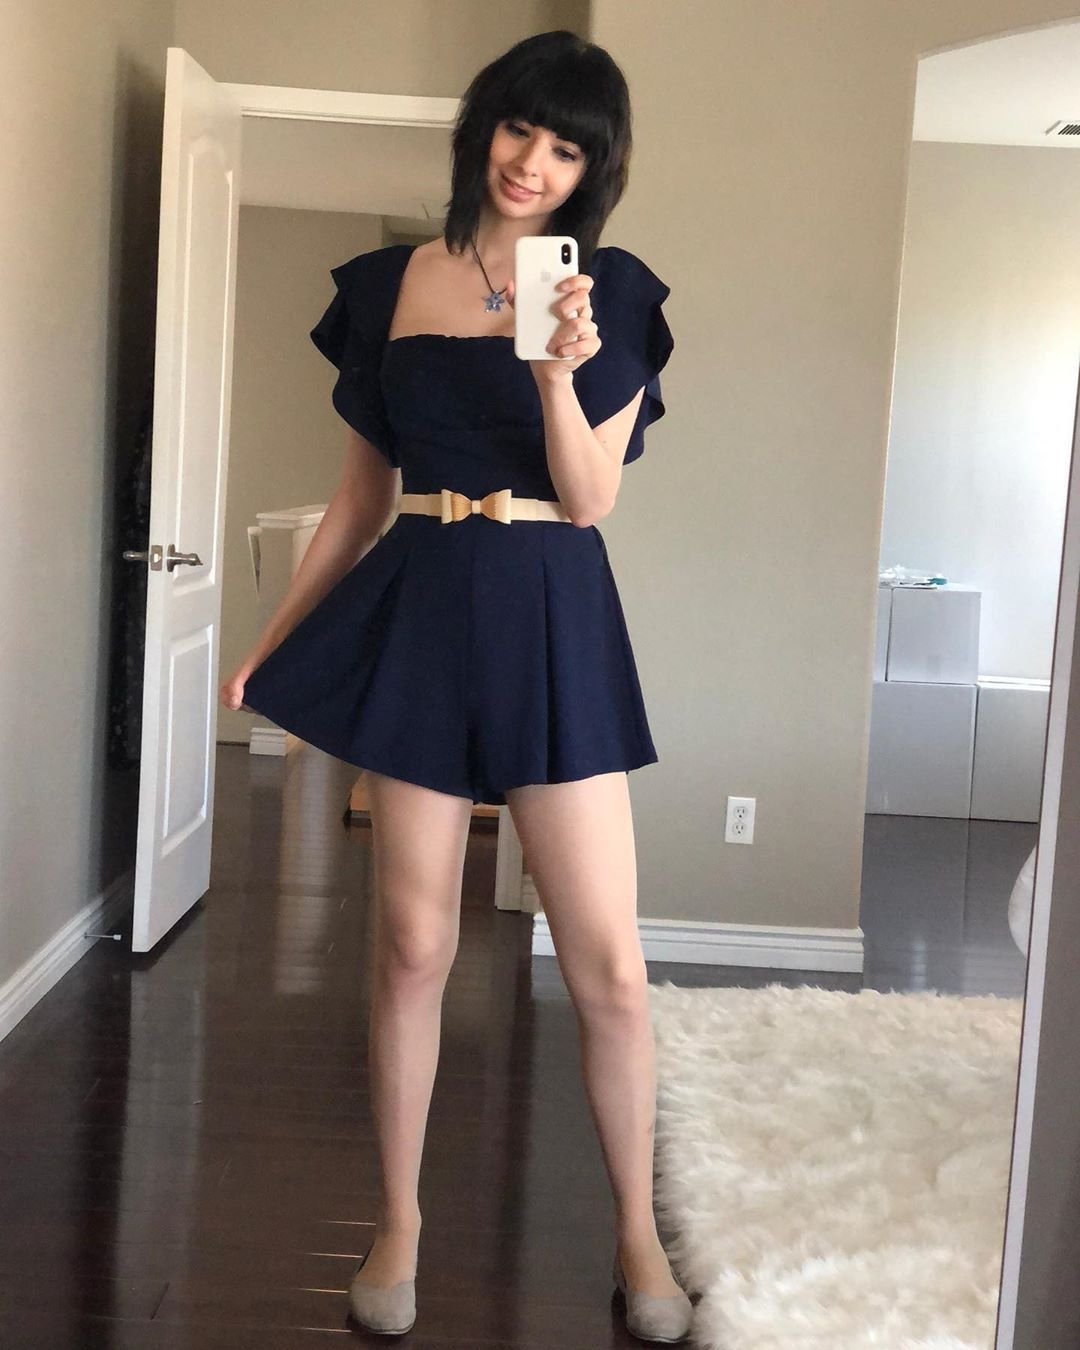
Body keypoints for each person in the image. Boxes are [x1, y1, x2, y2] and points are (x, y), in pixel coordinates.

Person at [220, 28, 688, 1344]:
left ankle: (639, 1234)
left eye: (567, 149)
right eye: (519, 129)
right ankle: (400, 1219)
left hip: (552, 611)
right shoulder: (389, 286)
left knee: (609, 969)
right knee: (414, 947)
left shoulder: (612, 291)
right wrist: (272, 638)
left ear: (593, 171)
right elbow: (359, 500)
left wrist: (555, 370)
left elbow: (589, 499)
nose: (533, 163)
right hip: (424, 609)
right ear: (481, 125)